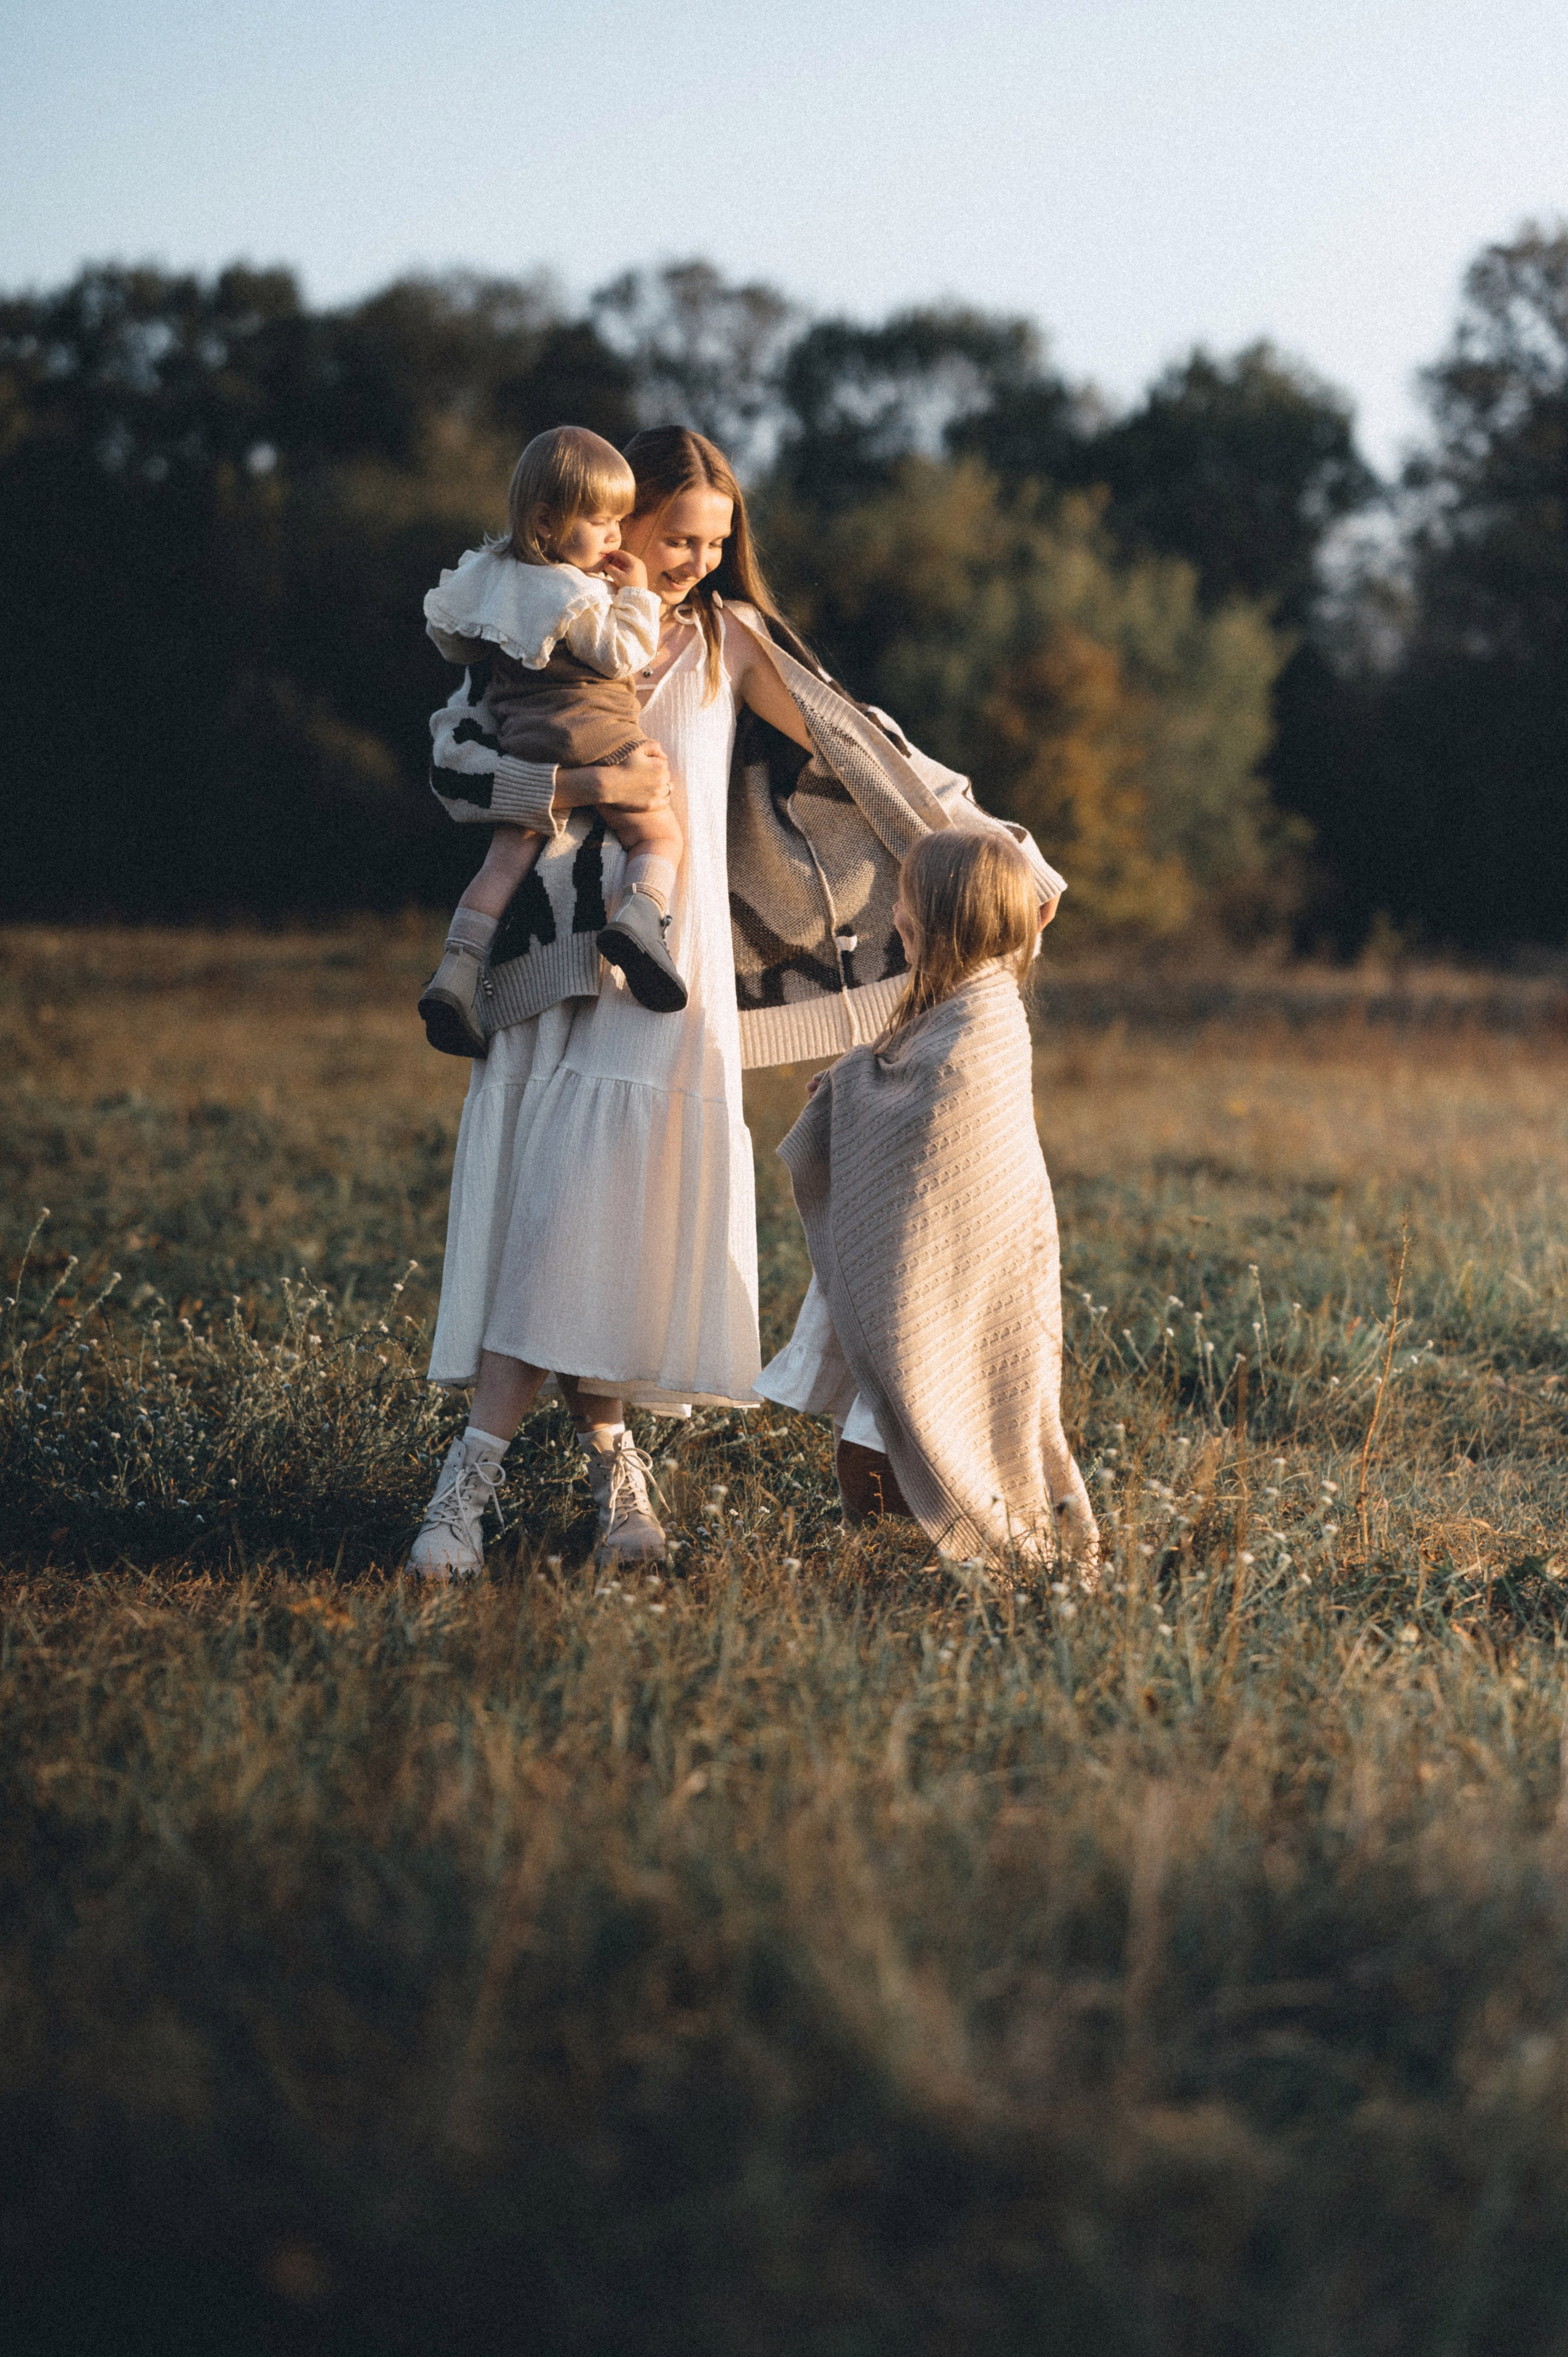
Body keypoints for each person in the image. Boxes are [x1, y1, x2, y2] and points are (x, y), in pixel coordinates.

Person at [407, 426, 1068, 1579]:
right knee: (557, 1214)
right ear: (622, 517)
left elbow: (867, 750)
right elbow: (452, 766)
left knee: (596, 1219)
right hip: (546, 962)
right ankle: (516, 1498)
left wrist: (986, 841)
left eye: (717, 543)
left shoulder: (725, 639)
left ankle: (565, 1495)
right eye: (678, 537)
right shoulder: (531, 612)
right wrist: (572, 785)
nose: (698, 562)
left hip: (671, 971)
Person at [756, 829, 1099, 1575]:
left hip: (961, 1277)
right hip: (937, 1271)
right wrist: (853, 1077)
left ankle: (947, 1552)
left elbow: (925, 1119)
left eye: (905, 905)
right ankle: (908, 1555)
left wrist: (852, 1087)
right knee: (874, 1446)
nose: (896, 920)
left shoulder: (980, 1022)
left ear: (936, 923)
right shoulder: (956, 1001)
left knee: (897, 1444)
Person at [418, 425, 689, 1055]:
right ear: (546, 525)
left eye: (621, 522)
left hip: (522, 744)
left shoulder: (490, 573)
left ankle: (457, 971)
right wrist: (638, 594)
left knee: (504, 859)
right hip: (596, 734)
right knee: (658, 833)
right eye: (601, 522)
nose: (616, 538)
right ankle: (640, 921)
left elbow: (452, 637)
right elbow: (623, 654)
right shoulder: (577, 593)